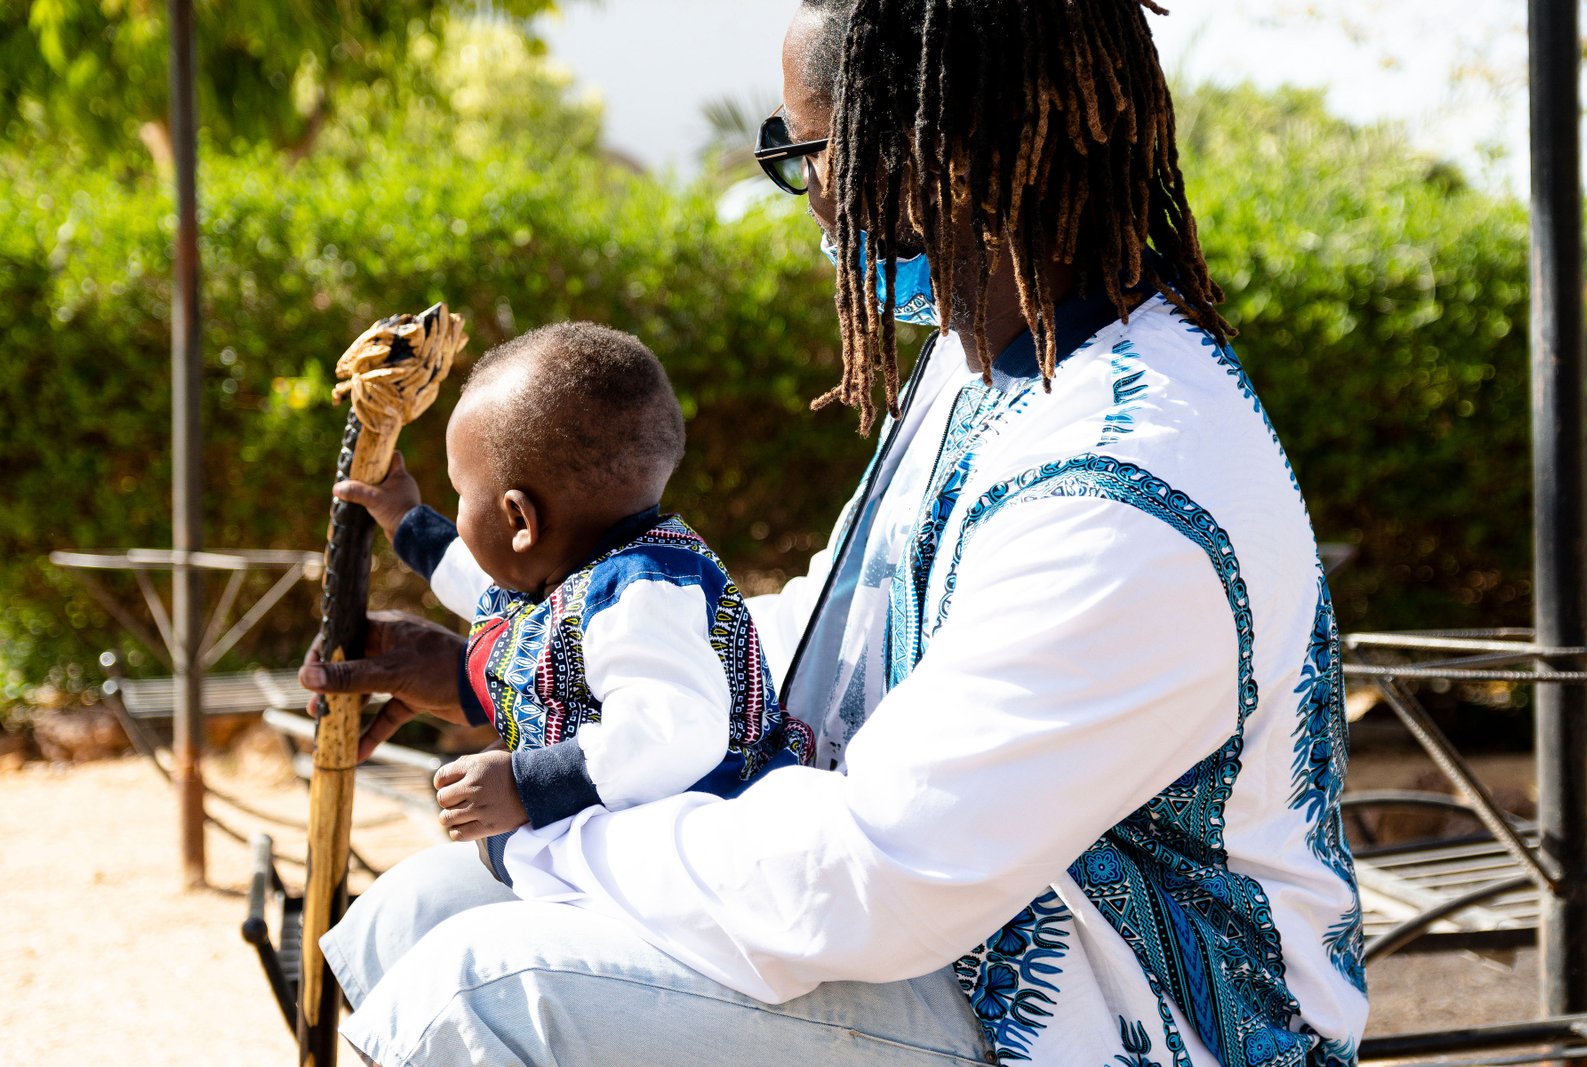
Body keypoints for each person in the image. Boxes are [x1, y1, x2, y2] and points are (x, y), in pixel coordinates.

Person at [303, 2, 1370, 1064]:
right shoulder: (989, 363)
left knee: (482, 990)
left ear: (931, 155)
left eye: (803, 150)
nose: (807, 195)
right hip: (965, 920)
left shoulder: (1122, 487)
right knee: (424, 905)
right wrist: (499, 671)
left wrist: (556, 827)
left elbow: (878, 877)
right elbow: (837, 634)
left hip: (1123, 1011)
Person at [332, 322, 813, 886]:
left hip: (693, 870)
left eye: (461, 493)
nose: (458, 510)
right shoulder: (559, 571)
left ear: (519, 520)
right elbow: (469, 571)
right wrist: (402, 518)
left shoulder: (640, 591)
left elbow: (672, 729)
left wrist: (526, 783)